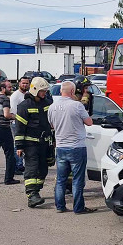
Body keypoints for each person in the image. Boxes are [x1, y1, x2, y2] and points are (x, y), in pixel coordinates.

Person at [48, 81, 96, 214]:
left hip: (61, 147)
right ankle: (78, 208)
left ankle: (60, 206)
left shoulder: (52, 107)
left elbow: (51, 125)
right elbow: (89, 122)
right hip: (76, 147)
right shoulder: (77, 105)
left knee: (61, 179)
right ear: (72, 92)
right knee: (77, 180)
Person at [14, 77, 53, 208]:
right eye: (43, 91)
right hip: (30, 144)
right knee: (31, 168)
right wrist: (19, 146)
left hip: (44, 143)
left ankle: (36, 190)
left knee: (43, 168)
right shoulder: (24, 106)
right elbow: (19, 127)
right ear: (35, 90)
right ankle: (31, 195)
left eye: (46, 91)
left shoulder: (47, 103)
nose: (45, 93)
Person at [9, 76, 30, 174]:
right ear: (19, 84)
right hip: (16, 124)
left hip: (27, 124)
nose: (25, 85)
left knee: (24, 144)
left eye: (27, 83)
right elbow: (13, 113)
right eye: (23, 83)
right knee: (17, 144)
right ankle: (17, 165)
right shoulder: (15, 96)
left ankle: (21, 164)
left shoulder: (28, 95)